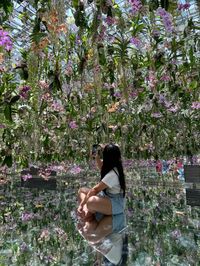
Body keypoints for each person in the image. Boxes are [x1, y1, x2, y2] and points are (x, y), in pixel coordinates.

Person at [77, 143, 126, 220]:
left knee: (91, 201)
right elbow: (101, 166)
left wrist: (82, 204)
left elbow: (95, 190)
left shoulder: (112, 174)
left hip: (116, 204)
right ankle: (88, 211)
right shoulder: (114, 165)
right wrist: (97, 156)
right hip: (107, 197)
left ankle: (87, 213)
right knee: (82, 191)